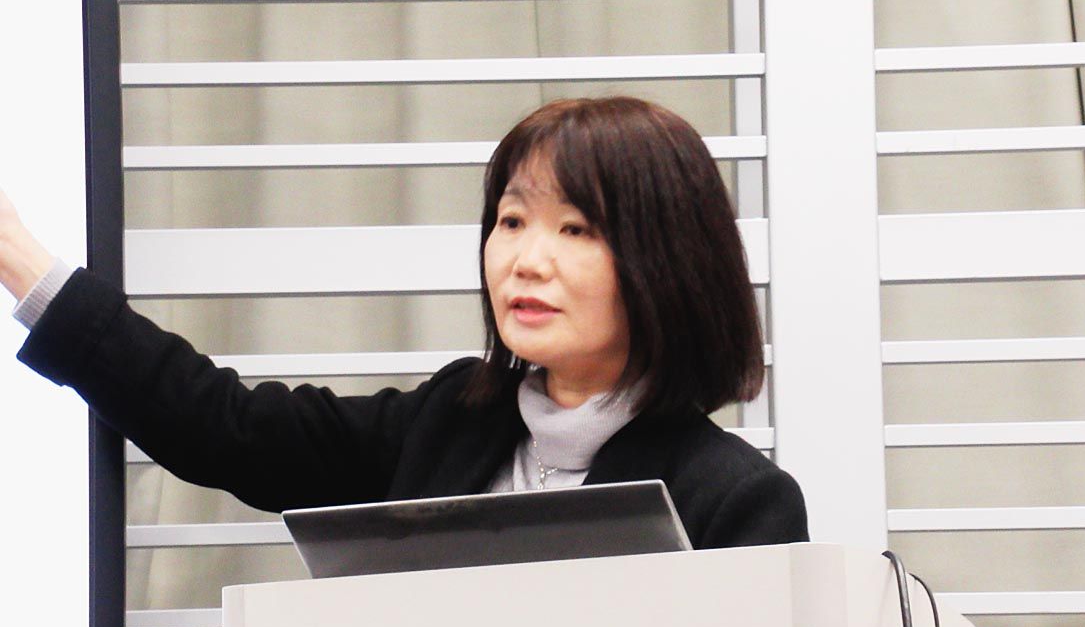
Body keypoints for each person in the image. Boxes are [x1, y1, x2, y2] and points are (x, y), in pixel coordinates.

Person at [1, 96, 807, 549]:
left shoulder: (736, 500)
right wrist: (25, 265)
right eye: (512, 220)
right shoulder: (453, 418)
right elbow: (229, 428)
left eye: (576, 229)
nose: (526, 260)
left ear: (666, 260)